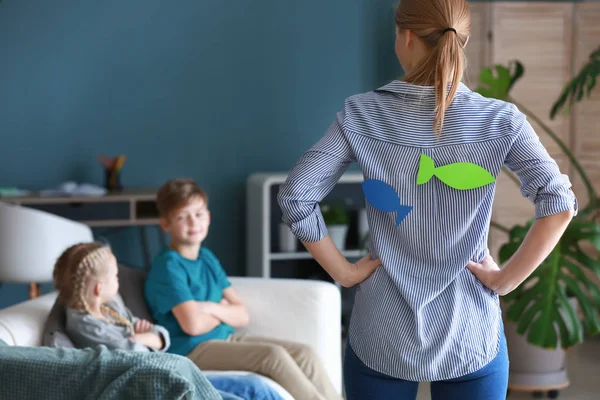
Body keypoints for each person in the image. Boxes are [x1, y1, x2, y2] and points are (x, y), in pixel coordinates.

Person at [276, 0, 577, 399]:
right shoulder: (500, 120)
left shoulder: (361, 114)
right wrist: (505, 280)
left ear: (406, 36)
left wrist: (344, 273)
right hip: (470, 333)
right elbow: (559, 203)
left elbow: (296, 197)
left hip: (380, 333)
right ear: (463, 41)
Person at [144, 178, 342, 400]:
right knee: (272, 356)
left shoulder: (206, 258)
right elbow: (193, 325)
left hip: (222, 338)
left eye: (198, 214)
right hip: (191, 350)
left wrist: (209, 307)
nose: (193, 222)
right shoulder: (169, 266)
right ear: (166, 224)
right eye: (182, 217)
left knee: (305, 353)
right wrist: (222, 310)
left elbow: (242, 315)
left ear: (208, 217)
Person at [52, 242, 284, 400]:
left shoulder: (110, 307)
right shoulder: (85, 325)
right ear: (98, 288)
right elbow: (133, 353)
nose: (118, 280)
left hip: (173, 372)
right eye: (114, 275)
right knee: (252, 390)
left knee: (256, 387)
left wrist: (147, 337)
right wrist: (144, 339)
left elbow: (160, 336)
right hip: (160, 384)